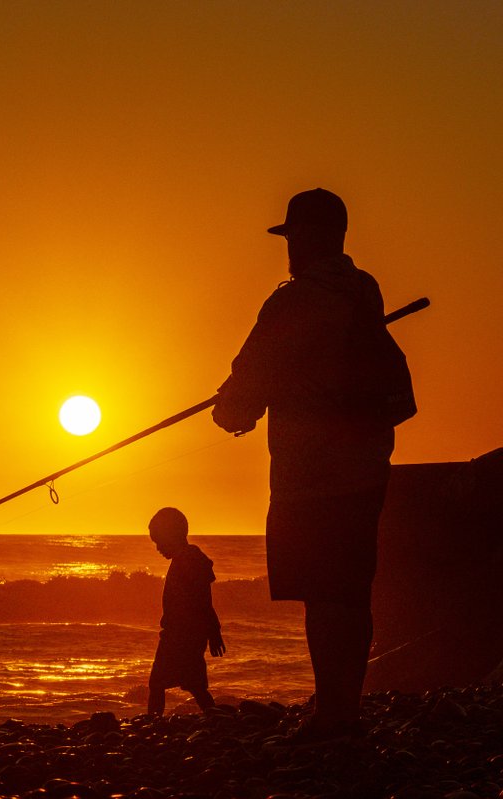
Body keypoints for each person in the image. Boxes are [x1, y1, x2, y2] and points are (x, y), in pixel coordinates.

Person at [212, 188, 396, 745]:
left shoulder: (290, 303)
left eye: (292, 236)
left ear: (311, 239)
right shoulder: (364, 291)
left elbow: (246, 390)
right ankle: (348, 709)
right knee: (352, 593)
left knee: (322, 594)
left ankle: (332, 716)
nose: (288, 248)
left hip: (309, 477)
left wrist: (227, 409)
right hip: (368, 467)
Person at [146, 507, 225, 716]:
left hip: (181, 635)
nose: (158, 548)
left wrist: (214, 631)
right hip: (180, 633)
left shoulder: (189, 560)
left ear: (172, 536)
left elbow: (204, 600)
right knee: (194, 684)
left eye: (159, 542)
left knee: (158, 683)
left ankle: (152, 722)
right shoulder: (186, 558)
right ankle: (214, 715)